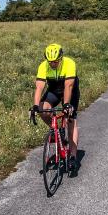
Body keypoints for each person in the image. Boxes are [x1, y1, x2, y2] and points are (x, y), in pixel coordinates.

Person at [30, 43, 80, 173]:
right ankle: (56, 130)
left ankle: (73, 157)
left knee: (70, 119)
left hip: (70, 90)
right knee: (43, 108)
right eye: (50, 62)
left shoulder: (69, 63)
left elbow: (68, 86)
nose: (53, 64)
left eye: (56, 61)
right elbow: (39, 87)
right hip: (54, 90)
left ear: (61, 57)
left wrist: (66, 105)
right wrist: (35, 106)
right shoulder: (43, 66)